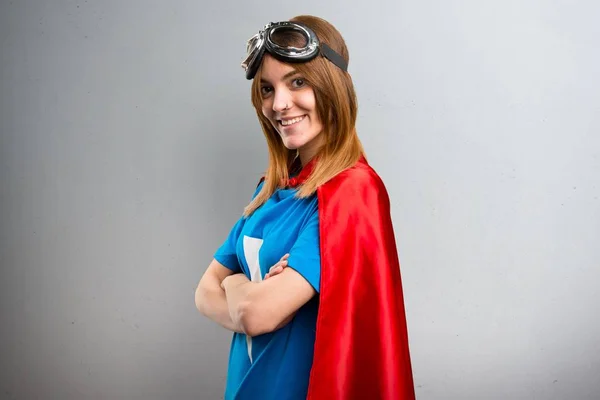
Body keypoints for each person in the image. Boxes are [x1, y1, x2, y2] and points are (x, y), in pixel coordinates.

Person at [195, 15, 415, 400]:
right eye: (267, 89)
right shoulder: (268, 191)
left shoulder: (351, 191)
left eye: (298, 82)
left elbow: (257, 315)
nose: (279, 104)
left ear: (332, 87)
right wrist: (246, 293)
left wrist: (232, 284)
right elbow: (203, 294)